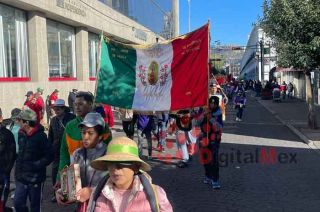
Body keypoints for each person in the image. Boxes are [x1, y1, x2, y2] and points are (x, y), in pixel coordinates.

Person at [87, 136, 173, 212]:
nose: (115, 168)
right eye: (110, 163)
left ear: (135, 167)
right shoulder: (97, 193)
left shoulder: (157, 194)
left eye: (123, 163)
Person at [56, 92, 112, 188]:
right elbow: (64, 153)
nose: (77, 107)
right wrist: (61, 177)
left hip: (98, 178)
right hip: (75, 176)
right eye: (75, 104)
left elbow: (110, 154)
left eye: (81, 104)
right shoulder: (70, 126)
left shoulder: (102, 126)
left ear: (90, 104)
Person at [55, 113, 108, 211]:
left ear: (100, 136)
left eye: (90, 133)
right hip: (82, 207)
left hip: (102, 206)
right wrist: (63, 191)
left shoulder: (108, 156)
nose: (86, 137)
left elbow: (116, 186)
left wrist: (91, 191)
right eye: (83, 132)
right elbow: (71, 182)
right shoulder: (77, 154)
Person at [14, 108, 53, 212]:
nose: (18, 122)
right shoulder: (21, 134)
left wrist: (36, 165)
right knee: (18, 204)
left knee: (35, 207)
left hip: (35, 179)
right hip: (21, 177)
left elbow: (49, 156)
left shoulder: (41, 136)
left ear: (26, 122)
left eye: (20, 120)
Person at [48, 99, 75, 202]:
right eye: (55, 109)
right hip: (56, 149)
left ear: (64, 108)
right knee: (55, 171)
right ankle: (56, 193)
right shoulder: (54, 120)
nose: (56, 110)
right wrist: (49, 146)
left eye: (58, 108)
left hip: (69, 148)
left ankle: (69, 193)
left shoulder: (71, 118)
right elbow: (50, 135)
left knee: (68, 170)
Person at [199, 96, 223, 189]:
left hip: (214, 140)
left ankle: (215, 179)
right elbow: (197, 122)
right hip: (204, 139)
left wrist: (211, 118)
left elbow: (219, 127)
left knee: (214, 160)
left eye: (214, 103)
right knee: (205, 159)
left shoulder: (219, 113)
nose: (212, 105)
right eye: (211, 103)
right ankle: (208, 175)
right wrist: (203, 115)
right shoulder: (204, 110)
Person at [0, 108, 16, 211]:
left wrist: (7, 170)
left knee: (2, 198)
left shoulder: (7, 134)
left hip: (3, 172)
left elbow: (12, 153)